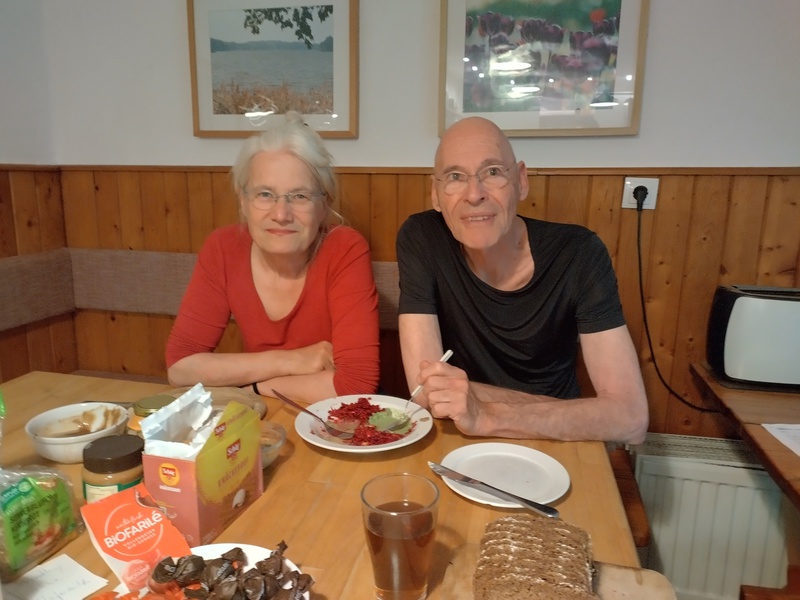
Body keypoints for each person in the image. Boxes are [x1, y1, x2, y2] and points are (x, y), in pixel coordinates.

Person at [396, 116, 648, 444]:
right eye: (455, 176)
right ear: (435, 193)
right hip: (463, 437)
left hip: (557, 442)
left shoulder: (578, 253)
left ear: (521, 181)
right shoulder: (423, 238)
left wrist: (486, 413)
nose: (474, 194)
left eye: (493, 172)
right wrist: (566, 412)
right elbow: (425, 393)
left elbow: (630, 418)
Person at [166, 112, 379, 402]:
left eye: (300, 196)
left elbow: (355, 385)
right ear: (243, 201)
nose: (281, 214)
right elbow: (180, 367)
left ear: (324, 205)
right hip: (265, 418)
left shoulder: (345, 248)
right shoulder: (223, 247)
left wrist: (256, 388)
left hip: (332, 418)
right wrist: (289, 361)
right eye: (265, 194)